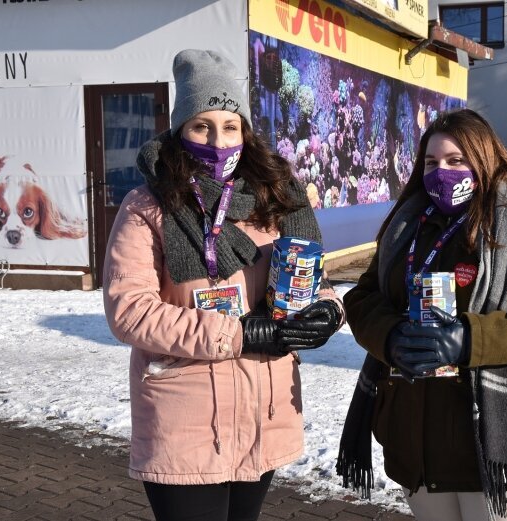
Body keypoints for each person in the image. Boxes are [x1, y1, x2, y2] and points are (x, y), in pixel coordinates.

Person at [103, 49, 343, 521]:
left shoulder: (276, 197)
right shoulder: (148, 206)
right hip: (186, 417)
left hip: (263, 409)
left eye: (230, 126)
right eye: (202, 126)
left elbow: (313, 277)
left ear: (245, 131)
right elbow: (129, 310)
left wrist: (329, 310)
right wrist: (239, 334)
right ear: (179, 132)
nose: (219, 140)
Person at [337, 108, 507, 521]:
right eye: (431, 162)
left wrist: (470, 338)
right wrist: (390, 337)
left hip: (496, 442)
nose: (441, 171)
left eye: (455, 160)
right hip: (419, 437)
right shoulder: (405, 227)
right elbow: (363, 297)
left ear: (483, 159)